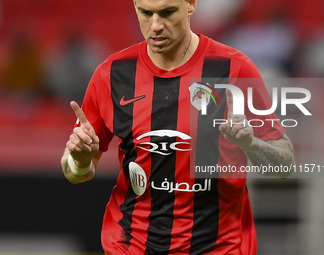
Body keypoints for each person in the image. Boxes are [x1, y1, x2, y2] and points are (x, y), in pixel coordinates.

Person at [61, 0, 295, 254]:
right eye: (146, 13)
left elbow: (285, 164)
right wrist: (80, 159)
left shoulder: (234, 69)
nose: (156, 25)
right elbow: (75, 172)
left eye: (167, 12)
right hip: (133, 247)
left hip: (219, 247)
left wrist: (251, 144)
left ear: (191, 4)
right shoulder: (112, 75)